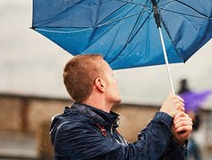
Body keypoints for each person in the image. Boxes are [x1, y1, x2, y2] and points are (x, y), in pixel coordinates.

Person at [50, 54, 193, 159]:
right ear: (101, 84)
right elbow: (133, 157)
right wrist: (164, 116)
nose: (116, 81)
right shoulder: (72, 131)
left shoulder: (104, 127)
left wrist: (176, 142)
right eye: (112, 76)